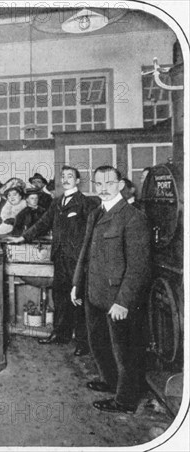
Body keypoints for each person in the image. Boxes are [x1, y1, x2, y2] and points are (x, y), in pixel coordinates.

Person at [71, 165, 150, 414]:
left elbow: (139, 267)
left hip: (117, 298)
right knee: (99, 343)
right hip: (94, 293)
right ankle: (111, 382)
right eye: (99, 184)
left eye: (109, 183)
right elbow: (85, 253)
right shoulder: (95, 213)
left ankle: (125, 401)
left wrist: (124, 301)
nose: (103, 188)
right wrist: (76, 284)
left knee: (124, 351)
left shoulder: (133, 217)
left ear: (120, 185)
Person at [8, 166, 99, 356]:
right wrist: (23, 238)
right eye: (63, 176)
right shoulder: (57, 202)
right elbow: (43, 224)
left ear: (77, 181)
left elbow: (93, 231)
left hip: (77, 259)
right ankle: (60, 334)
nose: (65, 179)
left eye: (70, 176)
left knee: (79, 299)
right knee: (60, 297)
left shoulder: (86, 203)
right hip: (59, 256)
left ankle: (84, 342)